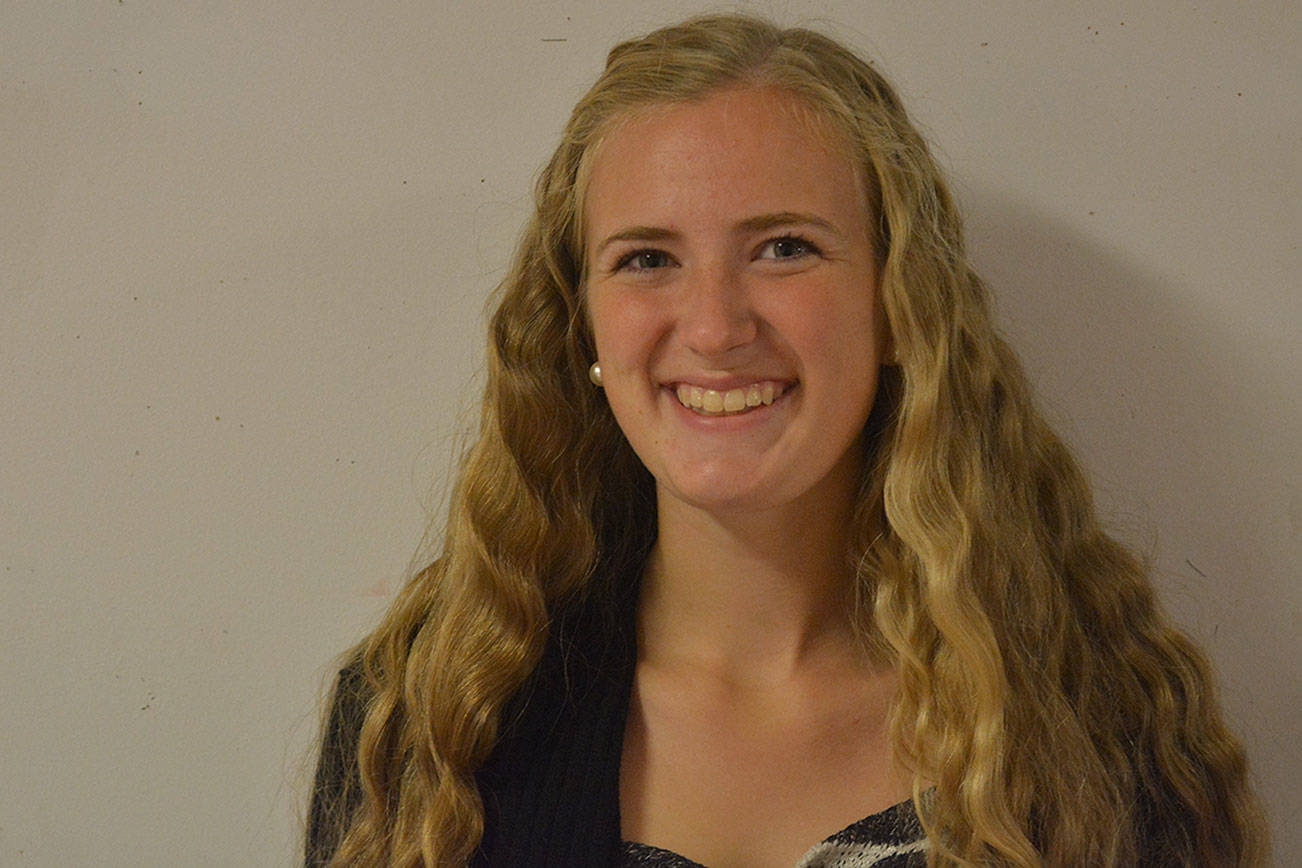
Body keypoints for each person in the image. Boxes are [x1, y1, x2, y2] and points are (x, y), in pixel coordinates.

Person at [306, 13, 1267, 867]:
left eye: (785, 248)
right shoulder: (426, 721)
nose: (715, 328)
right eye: (647, 258)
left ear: (899, 307)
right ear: (581, 328)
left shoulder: (1098, 722)